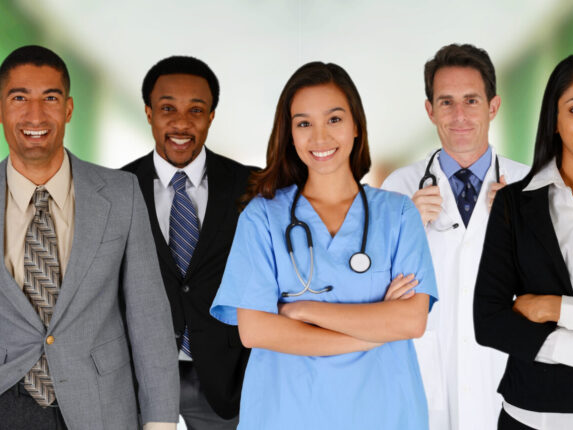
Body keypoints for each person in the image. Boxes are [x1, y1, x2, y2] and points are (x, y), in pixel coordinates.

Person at [209, 61, 438, 429]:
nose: (320, 137)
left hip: (383, 412)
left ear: (356, 125)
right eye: (304, 123)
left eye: (334, 119)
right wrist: (371, 335)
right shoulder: (262, 217)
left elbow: (411, 320)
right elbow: (256, 331)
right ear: (290, 134)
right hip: (286, 413)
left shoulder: (398, 214)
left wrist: (305, 310)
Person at [0, 46, 178, 429]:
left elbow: (149, 318)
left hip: (101, 407)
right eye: (19, 98)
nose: (35, 114)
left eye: (50, 98)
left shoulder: (121, 194)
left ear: (68, 109)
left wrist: (161, 422)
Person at [381, 43, 530, 430]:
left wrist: (525, 229)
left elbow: (556, 287)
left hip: (506, 380)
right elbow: (374, 292)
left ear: (493, 107)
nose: (459, 115)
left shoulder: (530, 187)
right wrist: (406, 230)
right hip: (427, 383)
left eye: (471, 100)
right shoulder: (399, 188)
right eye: (446, 102)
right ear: (430, 110)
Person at [122, 56, 251, 430]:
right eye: (167, 109)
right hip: (139, 377)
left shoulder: (252, 187)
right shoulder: (115, 188)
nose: (181, 123)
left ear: (211, 116)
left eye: (196, 110)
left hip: (226, 380)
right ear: (148, 113)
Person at [474, 53, 573, 430]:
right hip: (528, 418)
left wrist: (553, 307)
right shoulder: (513, 204)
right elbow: (489, 321)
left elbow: (516, 319)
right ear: (554, 121)